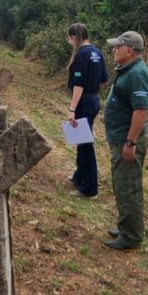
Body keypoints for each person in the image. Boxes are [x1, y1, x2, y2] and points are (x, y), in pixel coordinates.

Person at [102, 30, 148, 250]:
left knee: (128, 187)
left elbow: (141, 110)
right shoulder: (128, 70)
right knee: (121, 185)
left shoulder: (137, 73)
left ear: (129, 50)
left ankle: (131, 236)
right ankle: (126, 227)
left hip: (128, 141)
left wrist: (131, 142)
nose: (114, 50)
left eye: (117, 47)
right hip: (121, 138)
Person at [65, 23, 109, 198]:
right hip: (94, 99)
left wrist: (72, 108)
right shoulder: (97, 52)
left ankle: (89, 188)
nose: (69, 42)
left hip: (84, 101)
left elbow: (78, 84)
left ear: (74, 38)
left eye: (69, 39)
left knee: (85, 144)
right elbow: (104, 79)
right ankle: (80, 177)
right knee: (81, 139)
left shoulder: (81, 55)